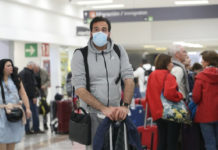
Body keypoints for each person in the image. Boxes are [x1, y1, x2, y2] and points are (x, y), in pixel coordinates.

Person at [71, 16, 134, 149]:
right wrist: (103, 109)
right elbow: (79, 88)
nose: (100, 33)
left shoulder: (119, 50)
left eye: (104, 29)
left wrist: (125, 105)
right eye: (96, 29)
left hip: (117, 114)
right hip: (92, 115)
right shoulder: (80, 55)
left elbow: (128, 78)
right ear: (91, 33)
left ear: (109, 33)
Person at [146, 53, 183, 150]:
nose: (172, 64)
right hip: (170, 112)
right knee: (172, 142)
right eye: (170, 62)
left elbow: (148, 95)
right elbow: (169, 94)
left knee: (161, 140)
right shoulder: (168, 76)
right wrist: (180, 96)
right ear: (165, 63)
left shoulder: (152, 75)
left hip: (157, 113)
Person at [0, 59, 31, 150]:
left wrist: (28, 108)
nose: (11, 67)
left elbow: (23, 94)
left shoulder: (16, 79)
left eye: (11, 65)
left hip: (14, 113)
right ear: (2, 68)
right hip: (2, 114)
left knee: (12, 140)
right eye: (8, 66)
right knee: (2, 139)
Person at [192, 50, 218, 150]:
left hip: (205, 115)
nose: (201, 62)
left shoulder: (201, 77)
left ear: (207, 62)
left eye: (203, 60)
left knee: (210, 144)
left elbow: (196, 97)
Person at [19, 62, 44, 134]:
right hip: (30, 97)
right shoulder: (29, 73)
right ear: (30, 66)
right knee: (34, 113)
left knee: (26, 114)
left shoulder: (21, 72)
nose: (34, 68)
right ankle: (36, 129)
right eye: (34, 66)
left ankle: (27, 130)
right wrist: (34, 96)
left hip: (23, 97)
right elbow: (30, 86)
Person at [34, 65, 50, 130]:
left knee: (44, 108)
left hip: (43, 93)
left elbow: (48, 81)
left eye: (36, 69)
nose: (35, 71)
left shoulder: (44, 72)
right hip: (36, 94)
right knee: (36, 109)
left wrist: (45, 86)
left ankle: (45, 123)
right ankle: (35, 125)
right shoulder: (32, 73)